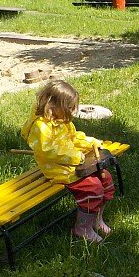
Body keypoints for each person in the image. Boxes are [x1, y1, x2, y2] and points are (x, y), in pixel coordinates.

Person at [21, 80, 115, 243]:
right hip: (57, 169)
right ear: (53, 106)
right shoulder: (41, 127)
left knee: (105, 178)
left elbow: (74, 137)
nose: (73, 112)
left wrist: (89, 143)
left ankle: (96, 221)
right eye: (70, 108)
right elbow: (47, 150)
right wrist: (74, 156)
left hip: (71, 165)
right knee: (93, 188)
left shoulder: (62, 121)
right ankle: (82, 228)